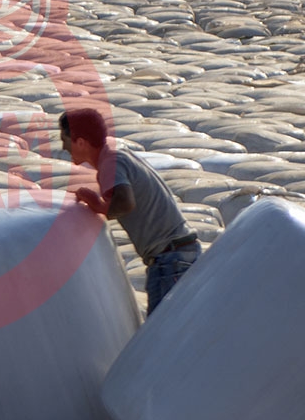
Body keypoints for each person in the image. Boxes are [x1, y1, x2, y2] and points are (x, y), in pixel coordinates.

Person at [59, 108, 200, 315]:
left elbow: (125, 203)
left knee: (161, 330)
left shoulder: (110, 164)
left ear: (80, 142)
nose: (63, 147)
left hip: (170, 260)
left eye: (65, 140)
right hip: (179, 253)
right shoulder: (118, 156)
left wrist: (97, 205)